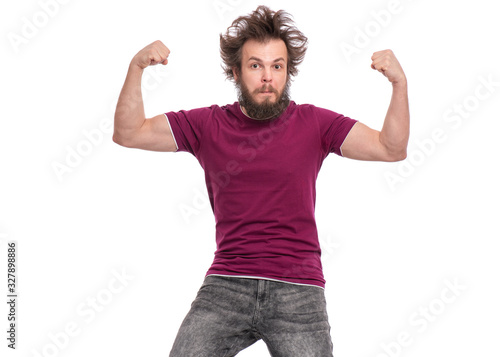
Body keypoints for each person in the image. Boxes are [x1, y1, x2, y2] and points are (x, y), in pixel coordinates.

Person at [113, 5, 409, 357]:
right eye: (256, 65)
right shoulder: (208, 125)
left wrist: (398, 83)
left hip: (298, 290)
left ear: (287, 72)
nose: (267, 76)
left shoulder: (314, 123)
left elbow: (391, 148)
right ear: (236, 72)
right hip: (226, 285)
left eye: (277, 66)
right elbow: (128, 133)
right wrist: (136, 68)